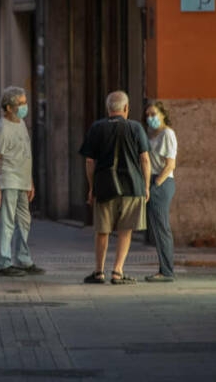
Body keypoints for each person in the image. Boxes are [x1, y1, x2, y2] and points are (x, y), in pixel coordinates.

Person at [79, 90, 150, 285]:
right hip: (132, 186)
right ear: (126, 108)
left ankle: (99, 271)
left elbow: (89, 161)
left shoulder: (97, 128)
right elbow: (144, 159)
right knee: (125, 229)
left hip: (104, 186)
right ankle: (118, 272)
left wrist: (92, 187)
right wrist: (146, 186)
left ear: (108, 108)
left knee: (102, 230)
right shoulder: (136, 128)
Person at [0, 86, 45, 277]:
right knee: (7, 222)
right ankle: (3, 263)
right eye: (20, 103)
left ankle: (23, 259)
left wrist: (30, 182)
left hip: (22, 181)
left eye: (24, 102)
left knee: (24, 221)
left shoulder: (20, 123)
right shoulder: (0, 128)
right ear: (9, 106)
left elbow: (25, 155)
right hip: (8, 180)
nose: (24, 106)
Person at [143, 100, 177, 282]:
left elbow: (170, 163)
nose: (150, 118)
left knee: (162, 227)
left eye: (153, 114)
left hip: (162, 182)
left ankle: (167, 271)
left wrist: (155, 184)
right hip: (153, 181)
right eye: (147, 115)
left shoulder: (167, 134)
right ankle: (164, 268)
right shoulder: (151, 134)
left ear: (163, 114)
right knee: (156, 228)